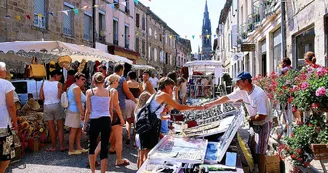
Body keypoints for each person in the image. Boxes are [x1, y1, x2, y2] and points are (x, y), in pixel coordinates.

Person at [203, 71, 272, 173]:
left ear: (246, 81)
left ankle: (261, 170)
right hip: (254, 121)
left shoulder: (259, 94)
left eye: (239, 82)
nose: (237, 84)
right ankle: (255, 167)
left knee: (260, 151)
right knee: (252, 145)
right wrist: (211, 104)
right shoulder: (242, 90)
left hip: (263, 122)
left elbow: (262, 116)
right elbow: (227, 98)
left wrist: (250, 118)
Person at [137, 77, 204, 167]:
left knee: (143, 153)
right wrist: (196, 107)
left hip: (147, 125)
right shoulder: (163, 95)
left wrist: (163, 118)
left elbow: (160, 112)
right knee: (148, 154)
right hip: (150, 127)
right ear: (166, 85)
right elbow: (179, 107)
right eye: (171, 87)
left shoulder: (156, 94)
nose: (172, 90)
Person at [83, 72, 111, 173]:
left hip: (94, 119)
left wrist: (85, 124)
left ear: (94, 82)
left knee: (92, 146)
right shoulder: (109, 92)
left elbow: (88, 110)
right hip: (106, 119)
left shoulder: (90, 92)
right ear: (103, 81)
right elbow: (110, 109)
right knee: (104, 147)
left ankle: (93, 171)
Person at [40, 70, 66, 152]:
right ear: (56, 75)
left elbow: (41, 97)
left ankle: (53, 147)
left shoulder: (44, 83)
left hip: (47, 105)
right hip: (57, 104)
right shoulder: (58, 84)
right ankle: (61, 146)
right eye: (60, 76)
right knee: (60, 127)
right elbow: (59, 96)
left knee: (51, 128)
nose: (60, 78)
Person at [107, 74, 130, 166]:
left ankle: (93, 157)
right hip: (115, 115)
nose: (118, 83)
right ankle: (119, 159)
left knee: (105, 139)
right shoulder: (114, 91)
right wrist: (121, 118)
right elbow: (116, 106)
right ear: (114, 81)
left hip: (107, 115)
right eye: (118, 81)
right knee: (119, 139)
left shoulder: (105, 89)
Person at [113, 63, 137, 143]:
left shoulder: (108, 78)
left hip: (110, 104)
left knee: (112, 123)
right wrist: (135, 100)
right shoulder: (122, 79)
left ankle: (112, 141)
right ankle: (116, 143)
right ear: (120, 70)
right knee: (120, 124)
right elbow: (128, 92)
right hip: (121, 104)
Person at [65, 72, 88, 155]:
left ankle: (78, 147)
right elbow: (78, 102)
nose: (83, 81)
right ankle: (71, 149)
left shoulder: (75, 87)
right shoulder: (76, 88)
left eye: (84, 80)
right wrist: (82, 113)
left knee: (78, 130)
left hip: (75, 111)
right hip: (75, 111)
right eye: (82, 79)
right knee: (74, 131)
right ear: (76, 79)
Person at [0, 62, 17, 173]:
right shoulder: (6, 84)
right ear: (2, 71)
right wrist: (14, 120)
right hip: (3, 124)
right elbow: (11, 105)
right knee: (6, 154)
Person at [135, 91, 152, 168]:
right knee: (144, 156)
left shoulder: (137, 110)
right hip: (144, 133)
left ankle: (138, 169)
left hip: (138, 133)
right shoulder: (146, 111)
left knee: (139, 154)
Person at [125, 71, 142, 145]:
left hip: (128, 101)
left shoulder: (126, 83)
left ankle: (128, 136)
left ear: (129, 76)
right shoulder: (139, 84)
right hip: (136, 101)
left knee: (128, 120)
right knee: (135, 121)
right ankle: (135, 140)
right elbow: (141, 93)